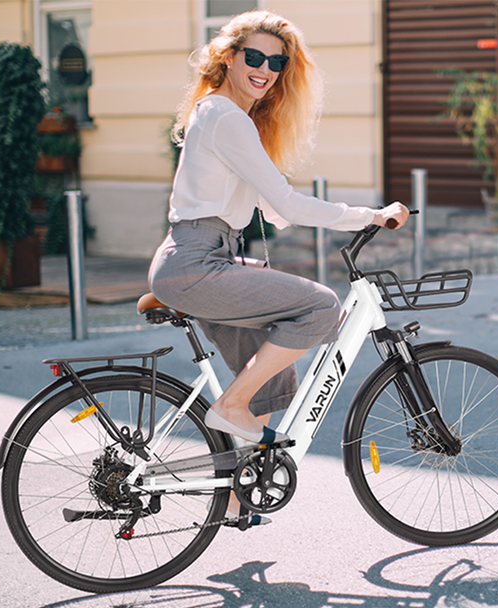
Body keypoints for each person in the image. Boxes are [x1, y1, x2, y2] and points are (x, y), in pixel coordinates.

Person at [149, 10, 409, 481]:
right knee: (320, 307)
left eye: (277, 63)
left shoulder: (225, 116)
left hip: (202, 260)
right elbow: (289, 203)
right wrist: (369, 215)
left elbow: (276, 211)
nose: (265, 69)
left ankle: (233, 496)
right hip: (197, 262)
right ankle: (230, 405)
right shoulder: (226, 117)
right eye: (254, 56)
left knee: (271, 375)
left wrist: (330, 214)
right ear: (227, 57)